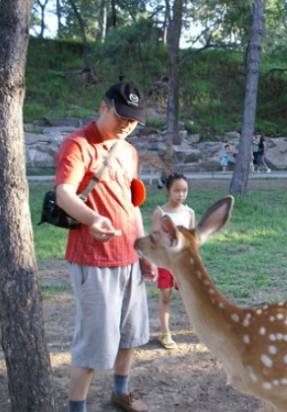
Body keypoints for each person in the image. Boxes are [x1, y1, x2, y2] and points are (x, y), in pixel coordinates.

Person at [55, 82, 156, 412]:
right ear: (103, 106)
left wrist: (143, 253)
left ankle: (120, 393)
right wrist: (92, 220)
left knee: (131, 334)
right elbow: (64, 194)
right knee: (93, 345)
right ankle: (76, 408)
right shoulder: (78, 145)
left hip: (129, 258)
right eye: (121, 116)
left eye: (133, 120)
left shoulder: (129, 152)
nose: (126, 125)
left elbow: (133, 204)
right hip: (94, 261)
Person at [151, 173, 195, 349]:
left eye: (184, 191)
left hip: (183, 264)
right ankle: (165, 333)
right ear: (168, 191)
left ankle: (196, 327)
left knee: (189, 297)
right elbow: (155, 238)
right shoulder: (160, 212)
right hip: (166, 264)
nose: (181, 194)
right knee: (166, 297)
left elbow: (192, 238)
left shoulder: (189, 212)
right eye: (177, 190)